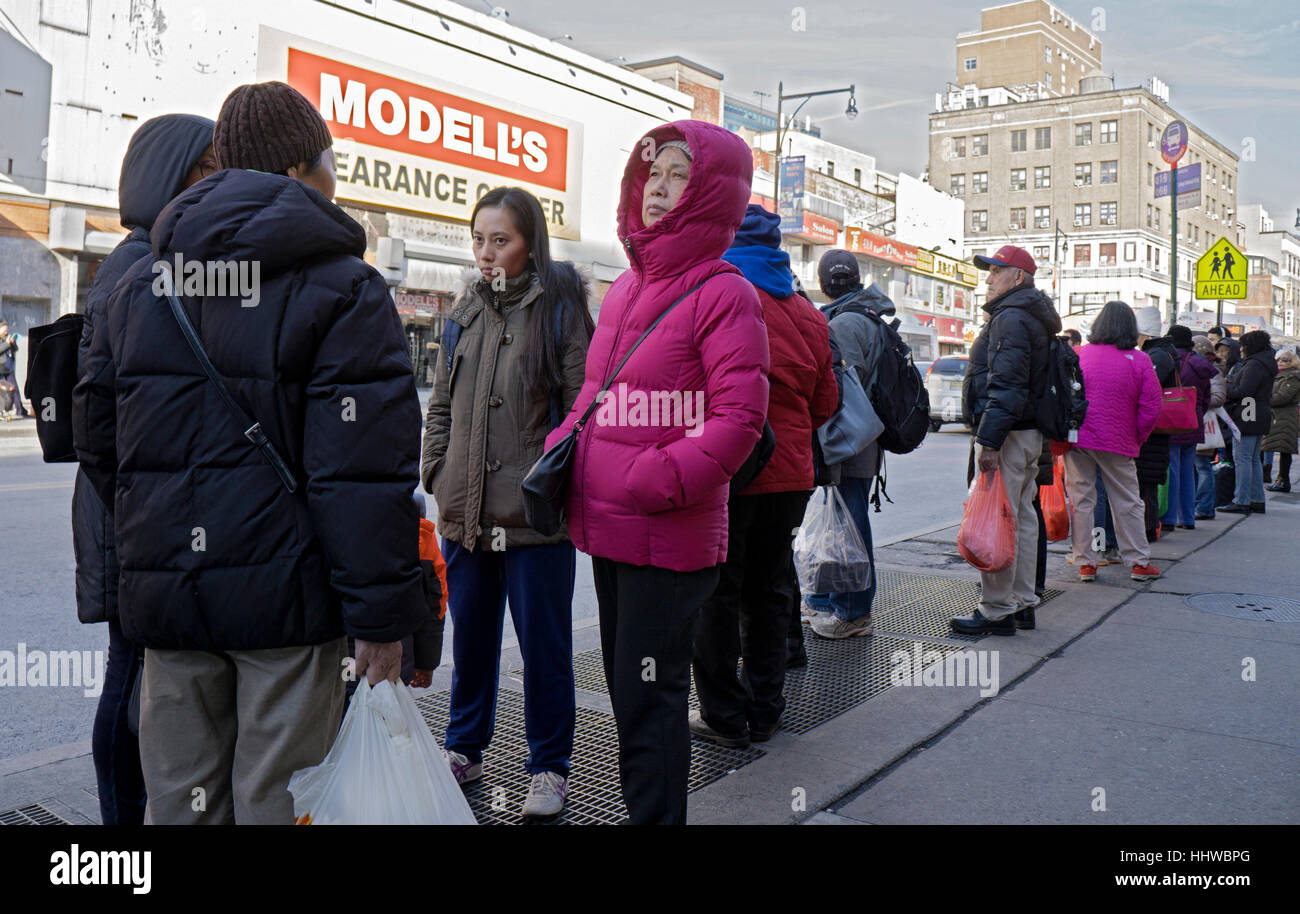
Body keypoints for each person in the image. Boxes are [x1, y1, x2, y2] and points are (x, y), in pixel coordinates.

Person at [73, 82, 427, 824]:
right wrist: (383, 619)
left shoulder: (142, 283)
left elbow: (100, 442)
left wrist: (163, 533)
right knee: (279, 801)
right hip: (287, 609)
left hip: (169, 604)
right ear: (304, 166)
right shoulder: (346, 289)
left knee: (181, 804)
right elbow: (361, 476)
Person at [543, 122, 768, 824]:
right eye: (655, 173)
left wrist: (656, 478)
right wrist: (564, 444)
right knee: (627, 693)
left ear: (710, 194)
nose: (660, 187)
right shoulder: (625, 288)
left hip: (665, 535)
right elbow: (595, 391)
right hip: (611, 527)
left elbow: (739, 420)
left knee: (650, 702)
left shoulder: (725, 294)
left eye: (680, 175)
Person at [420, 186, 593, 817]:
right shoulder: (465, 308)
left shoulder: (561, 309)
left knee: (545, 649)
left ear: (531, 243)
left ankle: (549, 765)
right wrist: (436, 470)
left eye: (503, 240)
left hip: (533, 518)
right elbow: (440, 404)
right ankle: (464, 746)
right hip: (464, 512)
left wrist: (547, 479)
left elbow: (583, 409)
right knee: (471, 642)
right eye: (480, 239)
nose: (488, 253)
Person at [71, 113, 215, 826]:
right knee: (130, 687)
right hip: (129, 518)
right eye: (210, 164)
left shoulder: (139, 257)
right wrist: (148, 506)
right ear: (181, 175)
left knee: (130, 680)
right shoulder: (139, 267)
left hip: (129, 511)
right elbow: (100, 423)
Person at [689, 205, 835, 748]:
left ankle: (723, 715)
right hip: (791, 473)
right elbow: (827, 401)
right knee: (771, 589)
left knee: (718, 591)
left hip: (728, 466)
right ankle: (765, 708)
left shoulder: (718, 295)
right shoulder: (807, 313)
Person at [952, 245, 1061, 636]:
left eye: (996, 271)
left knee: (1001, 518)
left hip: (1009, 433)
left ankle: (997, 609)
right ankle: (1023, 602)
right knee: (1023, 516)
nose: (988, 278)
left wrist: (990, 442)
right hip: (1027, 431)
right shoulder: (1030, 316)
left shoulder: (1011, 318)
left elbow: (1008, 387)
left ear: (1017, 277)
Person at [803, 249, 894, 639]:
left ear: (824, 285)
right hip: (864, 436)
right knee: (839, 522)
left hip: (848, 437)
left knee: (849, 522)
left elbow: (843, 387)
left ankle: (853, 611)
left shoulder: (843, 323)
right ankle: (827, 601)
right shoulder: (870, 317)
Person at [1062, 301, 1163, 583]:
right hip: (1118, 439)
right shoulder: (1140, 360)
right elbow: (1151, 406)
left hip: (1078, 437)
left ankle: (1085, 562)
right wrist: (1138, 436)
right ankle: (1138, 562)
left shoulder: (1078, 354)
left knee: (1082, 500)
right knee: (1128, 501)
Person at [1159, 325, 1217, 530]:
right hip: (1193, 421)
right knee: (1187, 470)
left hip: (1172, 422)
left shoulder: (1169, 360)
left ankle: (1169, 518)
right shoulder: (1200, 364)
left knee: (1172, 471)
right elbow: (1207, 397)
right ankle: (1188, 518)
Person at [1222, 330, 1278, 514]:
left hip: (1247, 413)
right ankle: (1256, 499)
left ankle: (1242, 500)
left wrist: (1226, 387)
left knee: (1243, 458)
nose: (1242, 349)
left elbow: (1243, 391)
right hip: (1259, 412)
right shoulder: (1266, 362)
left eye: (1244, 345)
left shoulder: (1255, 364)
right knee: (1253, 459)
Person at [1133, 306, 1176, 541]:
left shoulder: (1157, 355)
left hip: (1153, 427)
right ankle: (1149, 527)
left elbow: (1147, 387)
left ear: (1146, 335)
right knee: (1147, 480)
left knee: (1145, 480)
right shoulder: (1162, 352)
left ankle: (1148, 529)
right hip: (1157, 425)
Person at [1192, 335, 1226, 519]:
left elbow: (1219, 397)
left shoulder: (1212, 371)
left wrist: (1197, 400)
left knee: (1203, 467)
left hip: (1206, 423)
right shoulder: (1203, 368)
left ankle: (1204, 507)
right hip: (1198, 421)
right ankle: (1199, 505)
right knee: (1197, 467)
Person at [1263, 350, 1300, 492]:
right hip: (1278, 416)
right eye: (1278, 359)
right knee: (1281, 448)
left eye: (1285, 360)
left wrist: (1264, 399)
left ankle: (1283, 480)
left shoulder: (1292, 377)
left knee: (1285, 449)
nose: (1280, 362)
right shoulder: (1280, 375)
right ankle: (1280, 479)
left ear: (1293, 362)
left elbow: (1283, 397)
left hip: (1286, 417)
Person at [0, 320, 19, 419]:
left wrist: (12, 343)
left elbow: (15, 349)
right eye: (4, 329)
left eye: (7, 329)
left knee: (13, 388)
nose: (6, 331)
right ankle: (2, 410)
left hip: (8, 367)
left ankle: (19, 409)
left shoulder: (7, 338)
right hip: (1, 367)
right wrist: (7, 344)